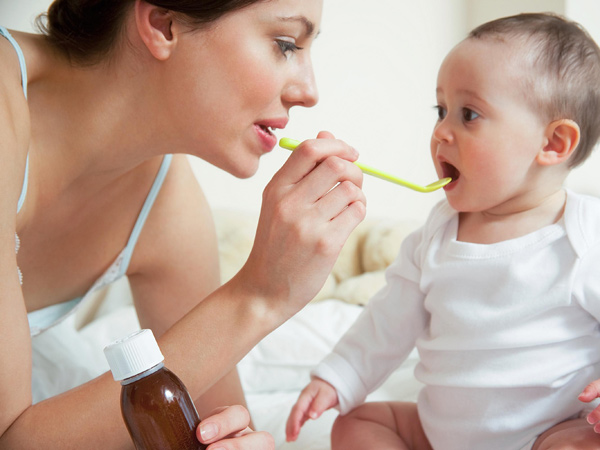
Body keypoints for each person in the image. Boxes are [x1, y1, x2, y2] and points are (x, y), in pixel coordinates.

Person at [0, 0, 367, 448]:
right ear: (163, 23)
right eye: (285, 44)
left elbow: (212, 420)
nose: (309, 91)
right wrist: (260, 295)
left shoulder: (164, 202)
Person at [286, 12, 600, 450]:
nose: (440, 132)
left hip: (546, 431)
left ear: (552, 144)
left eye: (468, 114)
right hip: (439, 435)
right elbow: (387, 320)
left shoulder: (585, 238)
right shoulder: (437, 234)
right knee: (357, 424)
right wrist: (339, 377)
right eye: (441, 110)